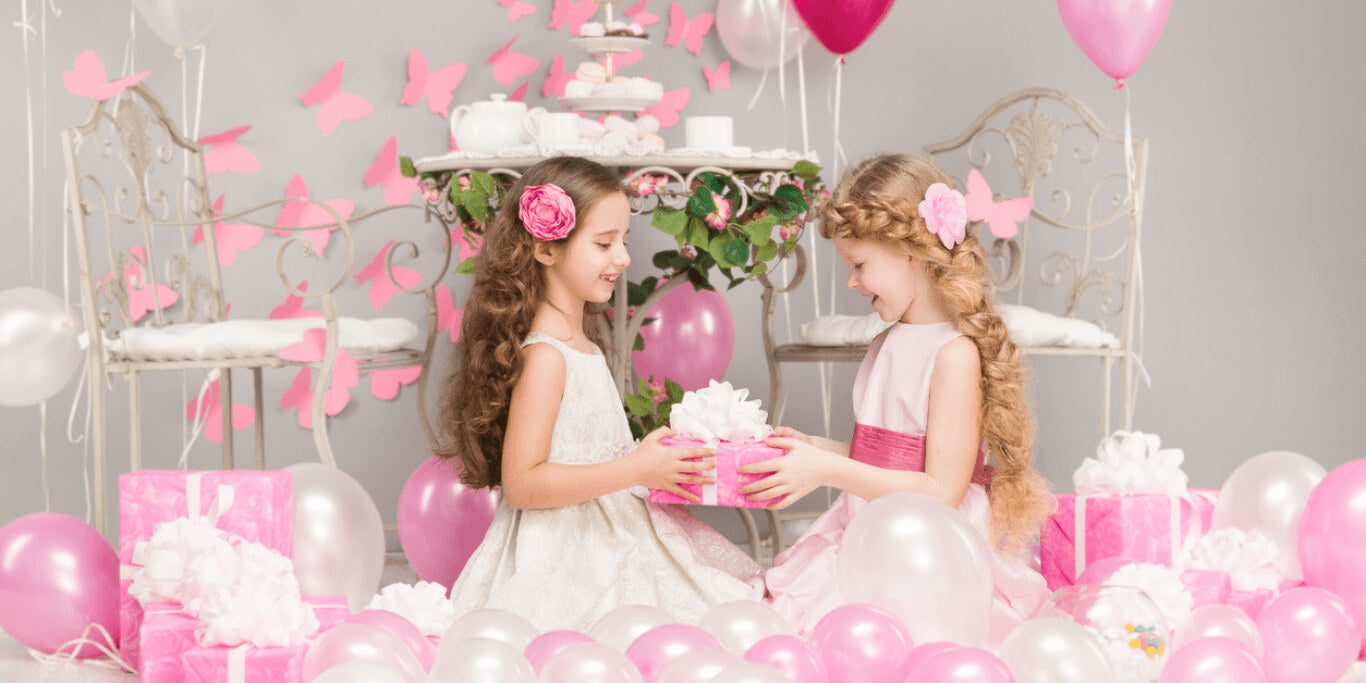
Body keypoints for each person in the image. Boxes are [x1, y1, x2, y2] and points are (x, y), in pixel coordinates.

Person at [439, 157, 763, 632]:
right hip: (565, 546)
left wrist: (656, 464)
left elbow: (594, 449)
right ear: (545, 249)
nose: (623, 258)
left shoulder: (581, 344)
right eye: (604, 243)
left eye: (623, 241)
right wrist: (636, 469)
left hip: (611, 522)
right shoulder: (546, 357)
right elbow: (523, 485)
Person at [744, 154, 1054, 643]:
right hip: (871, 530)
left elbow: (941, 490)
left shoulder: (953, 355)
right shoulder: (886, 342)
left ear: (911, 253)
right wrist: (818, 449)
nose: (851, 281)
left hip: (925, 548)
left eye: (859, 265)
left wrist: (827, 471)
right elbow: (890, 459)